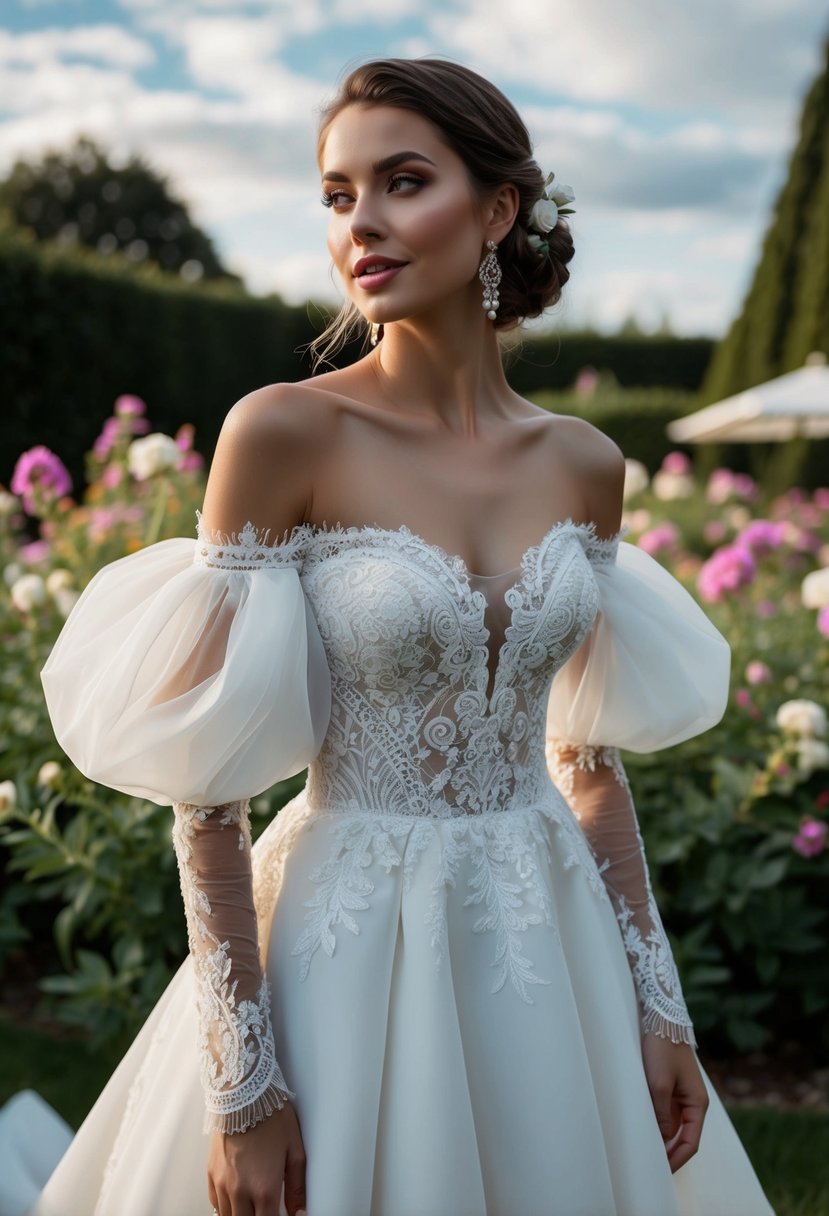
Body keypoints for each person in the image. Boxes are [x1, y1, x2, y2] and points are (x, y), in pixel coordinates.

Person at [13, 56, 774, 1216]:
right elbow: (206, 794)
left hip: (545, 932)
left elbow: (586, 759)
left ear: (498, 209)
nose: (359, 221)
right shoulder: (282, 433)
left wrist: (657, 1007)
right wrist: (244, 1079)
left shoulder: (582, 461)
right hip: (343, 943)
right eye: (335, 194)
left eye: (401, 181)